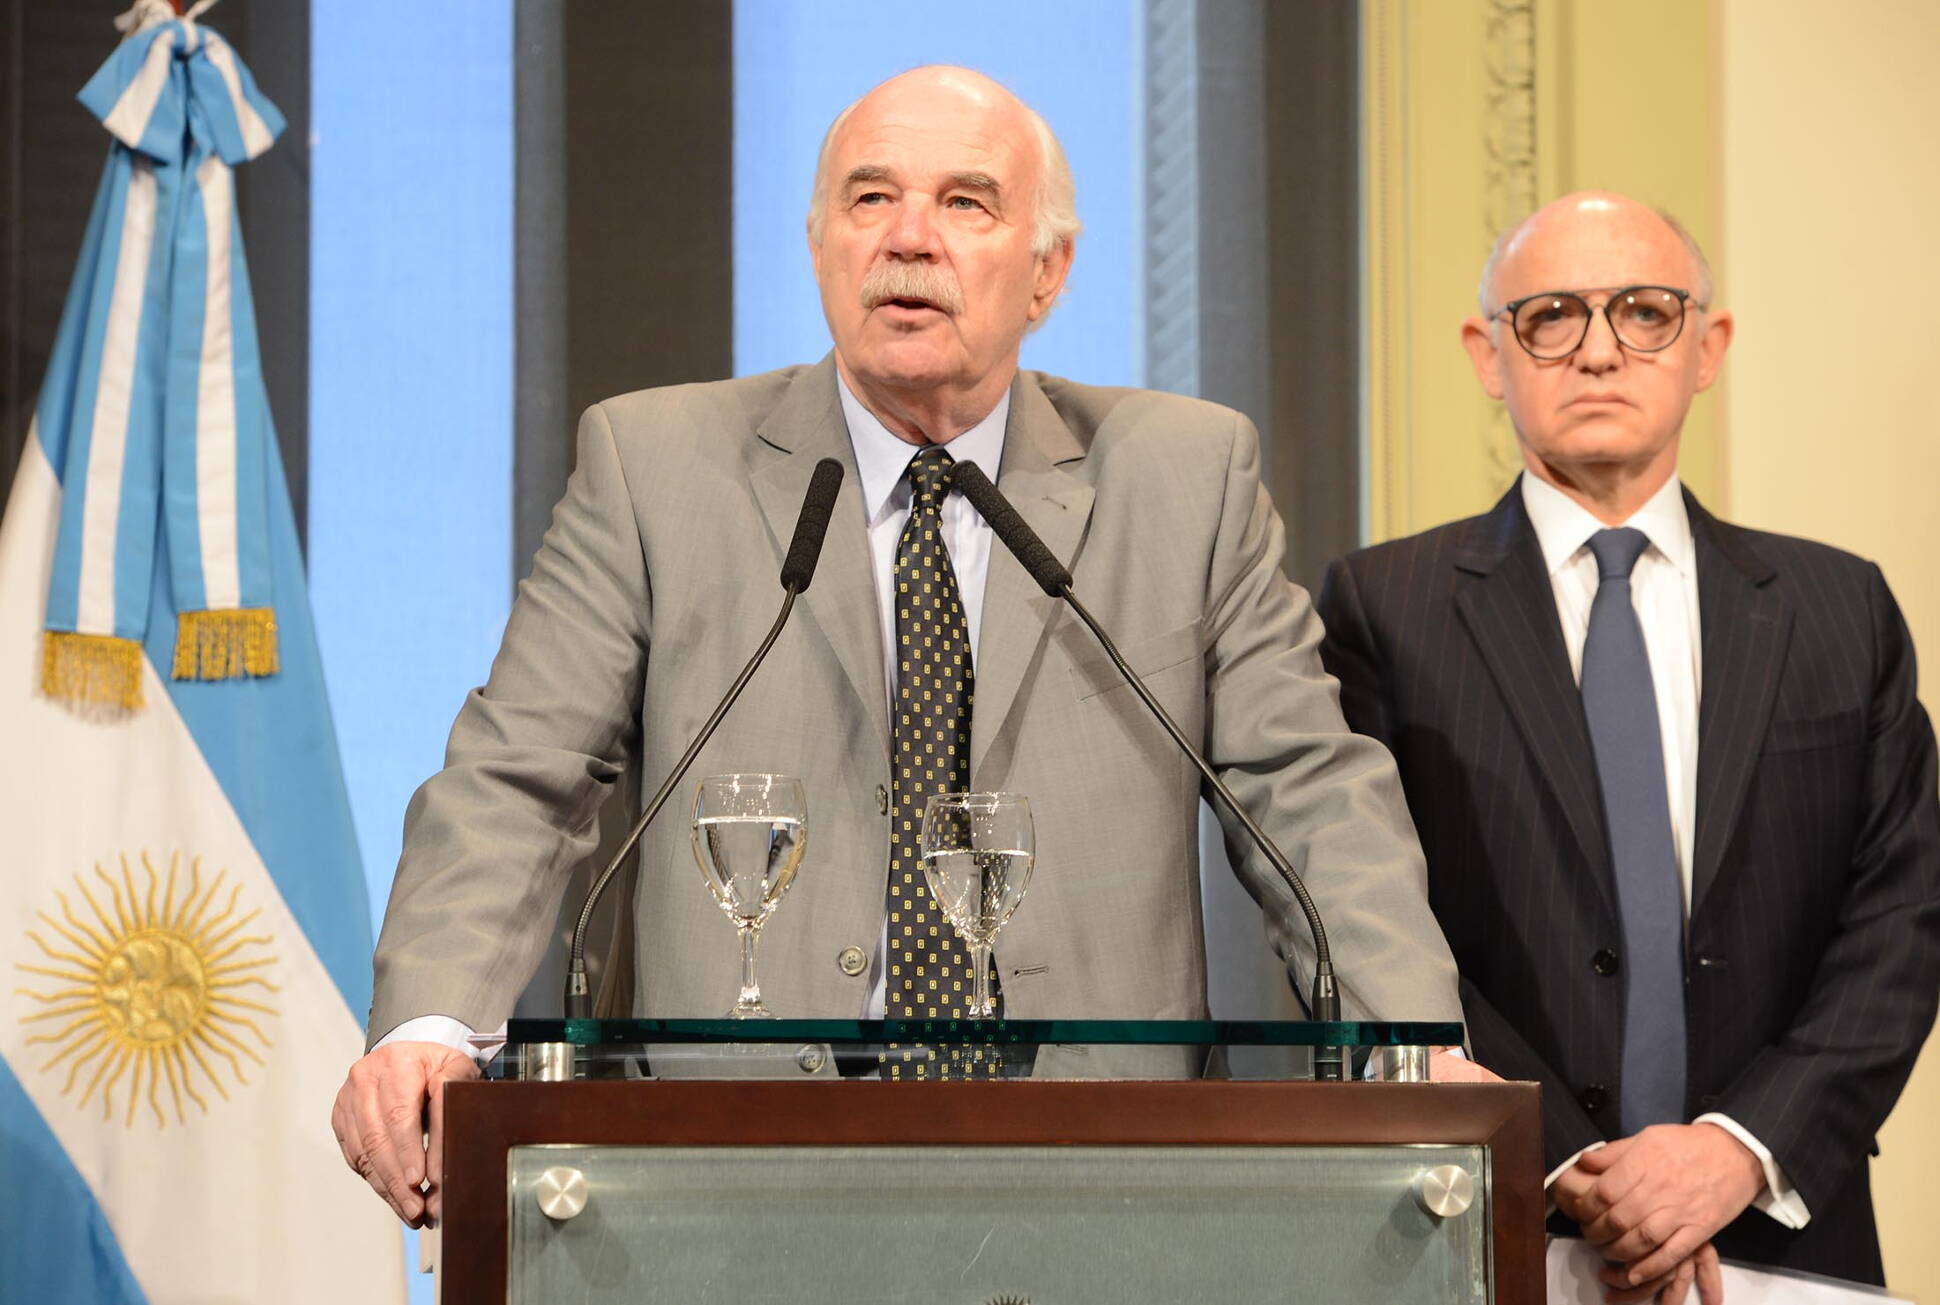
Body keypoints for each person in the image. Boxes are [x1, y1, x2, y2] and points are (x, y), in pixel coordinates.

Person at [331, 66, 1482, 1229]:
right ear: (822, 244)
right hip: (725, 1173)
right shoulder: (655, 464)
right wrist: (431, 1025)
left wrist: (1410, 1044)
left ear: (1049, 272)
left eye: (966, 203)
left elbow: (1307, 790)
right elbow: (517, 775)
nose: (908, 240)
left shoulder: (1183, 475)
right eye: (868, 199)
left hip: (1100, 1172)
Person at [1318, 191, 1940, 1298]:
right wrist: (1571, 1161)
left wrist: (1729, 1151)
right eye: (1550, 314)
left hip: (1782, 1233)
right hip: (1493, 1222)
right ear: (1486, 352)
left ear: (1707, 346)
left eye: (1645, 312)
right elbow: (1365, 920)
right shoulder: (1383, 607)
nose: (1598, 350)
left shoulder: (1838, 607)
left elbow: (1902, 917)